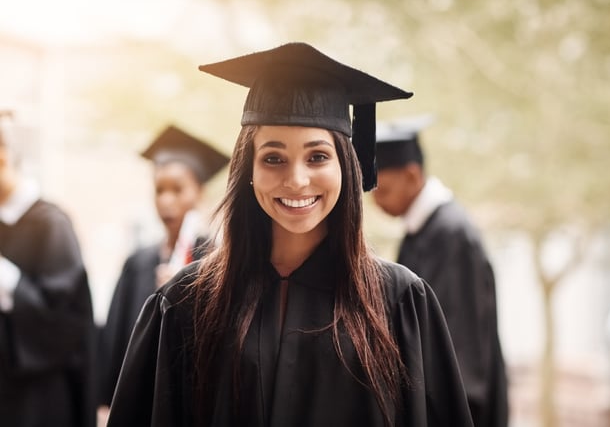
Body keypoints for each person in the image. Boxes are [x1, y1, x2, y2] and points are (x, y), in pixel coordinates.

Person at [106, 42, 473, 427]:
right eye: (273, 158)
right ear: (248, 169)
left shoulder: (398, 302)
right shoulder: (185, 303)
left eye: (317, 156)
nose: (297, 180)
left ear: (346, 167)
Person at [372, 117, 509, 427]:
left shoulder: (450, 235)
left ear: (411, 175)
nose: (376, 201)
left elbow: (461, 344)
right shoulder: (424, 230)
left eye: (383, 190)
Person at [98, 124, 229, 413]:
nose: (166, 201)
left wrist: (186, 291)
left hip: (188, 403)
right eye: (159, 190)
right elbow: (116, 337)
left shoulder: (216, 262)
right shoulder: (138, 262)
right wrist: (108, 402)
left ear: (199, 192)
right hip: (138, 401)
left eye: (178, 189)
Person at [0, 111, 96, 427]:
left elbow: (65, 320)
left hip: (37, 397)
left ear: (4, 156)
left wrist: (6, 279)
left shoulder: (51, 224)